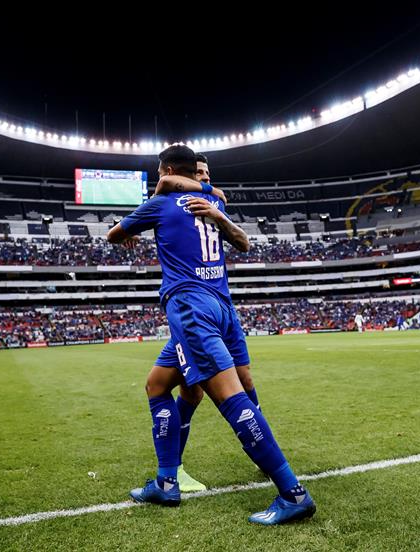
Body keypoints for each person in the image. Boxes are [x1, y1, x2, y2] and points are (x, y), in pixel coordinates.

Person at [108, 145, 315, 525]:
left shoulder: (163, 202)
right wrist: (209, 194)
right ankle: (166, 481)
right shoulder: (210, 200)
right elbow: (208, 204)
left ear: (166, 170)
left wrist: (134, 222)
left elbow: (113, 234)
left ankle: (293, 493)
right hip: (220, 306)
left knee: (231, 398)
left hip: (191, 309)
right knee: (157, 385)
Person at [146, 152, 257, 493]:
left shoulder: (212, 206)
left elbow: (244, 243)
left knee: (228, 383)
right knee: (187, 390)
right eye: (198, 174)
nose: (205, 178)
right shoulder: (177, 201)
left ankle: (172, 473)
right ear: (186, 176)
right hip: (193, 313)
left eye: (208, 174)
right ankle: (174, 470)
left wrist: (218, 213)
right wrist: (212, 194)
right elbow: (165, 184)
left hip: (216, 310)